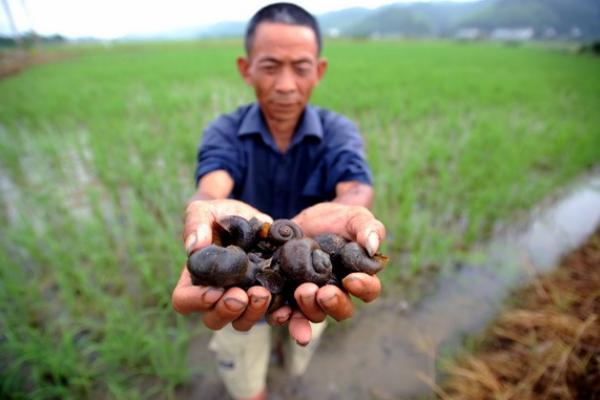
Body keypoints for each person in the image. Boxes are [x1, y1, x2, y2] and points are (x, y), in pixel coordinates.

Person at [171, 3, 386, 399]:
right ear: (245, 67)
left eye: (300, 67)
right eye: (270, 66)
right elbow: (212, 183)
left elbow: (355, 183)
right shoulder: (225, 131)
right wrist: (207, 209)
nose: (286, 84)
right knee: (247, 379)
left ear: (318, 70)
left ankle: (287, 362)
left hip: (306, 290)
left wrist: (349, 208)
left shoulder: (338, 132)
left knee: (302, 333)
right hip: (243, 301)